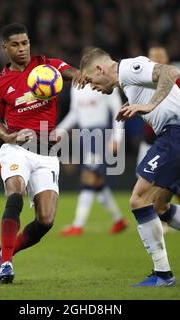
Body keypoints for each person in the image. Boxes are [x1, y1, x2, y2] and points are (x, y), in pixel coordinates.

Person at [79, 47, 180, 287]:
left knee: (138, 200)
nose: (92, 86)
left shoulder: (129, 68)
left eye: (91, 80)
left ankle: (163, 274)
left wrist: (150, 105)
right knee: (159, 206)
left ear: (101, 69)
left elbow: (171, 71)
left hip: (177, 135)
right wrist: (137, 106)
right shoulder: (126, 81)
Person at [0, 23, 85, 284]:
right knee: (16, 194)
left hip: (46, 153)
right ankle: (6, 264)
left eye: (25, 43)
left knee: (46, 220)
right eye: (16, 44)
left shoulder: (47, 67)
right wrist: (9, 136)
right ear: (5, 47)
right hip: (16, 149)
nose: (22, 49)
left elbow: (73, 72)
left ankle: (5, 251)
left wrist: (83, 76)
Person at [138, 46, 180, 232]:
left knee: (159, 180)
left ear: (167, 59)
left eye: (159, 57)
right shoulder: (144, 79)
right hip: (148, 138)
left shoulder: (174, 78)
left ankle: (163, 218)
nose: (156, 61)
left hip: (167, 138)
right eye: (152, 57)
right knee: (146, 179)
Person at [58, 84, 127, 236]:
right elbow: (75, 113)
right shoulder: (76, 86)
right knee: (96, 180)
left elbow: (117, 110)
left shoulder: (104, 83)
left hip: (100, 134)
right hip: (84, 135)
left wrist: (117, 138)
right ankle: (119, 220)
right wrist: (60, 130)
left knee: (88, 177)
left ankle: (77, 225)